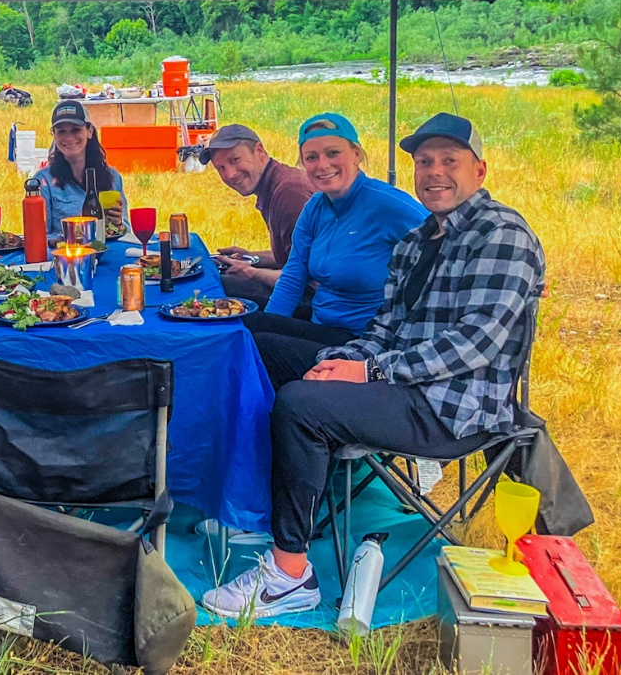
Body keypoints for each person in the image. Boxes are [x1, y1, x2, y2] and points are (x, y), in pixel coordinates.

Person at [202, 112, 546, 618]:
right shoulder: (418, 242)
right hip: (405, 384)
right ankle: (262, 503)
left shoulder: (502, 235)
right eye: (424, 161)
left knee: (301, 404)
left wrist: (370, 372)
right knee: (259, 346)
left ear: (480, 170)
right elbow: (385, 328)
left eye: (449, 161)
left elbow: (476, 343)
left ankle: (289, 575)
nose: (434, 172)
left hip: (455, 407)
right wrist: (340, 359)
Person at [245, 113, 426, 388]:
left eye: (333, 153)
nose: (322, 165)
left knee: (262, 345)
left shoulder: (389, 205)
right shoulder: (316, 207)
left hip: (365, 338)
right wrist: (270, 321)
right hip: (323, 323)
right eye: (311, 157)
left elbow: (442, 244)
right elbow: (293, 276)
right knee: (246, 325)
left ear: (356, 154)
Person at [202, 124, 316, 311]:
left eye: (235, 159)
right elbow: (296, 256)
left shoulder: (288, 193)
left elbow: (307, 277)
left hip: (314, 301)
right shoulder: (276, 183)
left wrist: (251, 272)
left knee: (214, 287)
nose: (230, 174)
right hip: (299, 288)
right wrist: (251, 256)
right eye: (221, 168)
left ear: (259, 151)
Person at [33, 100, 128, 237]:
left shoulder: (112, 176)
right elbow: (39, 236)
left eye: (76, 130)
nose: (69, 137)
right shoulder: (43, 181)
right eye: (61, 131)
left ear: (89, 131)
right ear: (54, 135)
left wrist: (118, 223)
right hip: (67, 255)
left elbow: (127, 231)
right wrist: (72, 236)